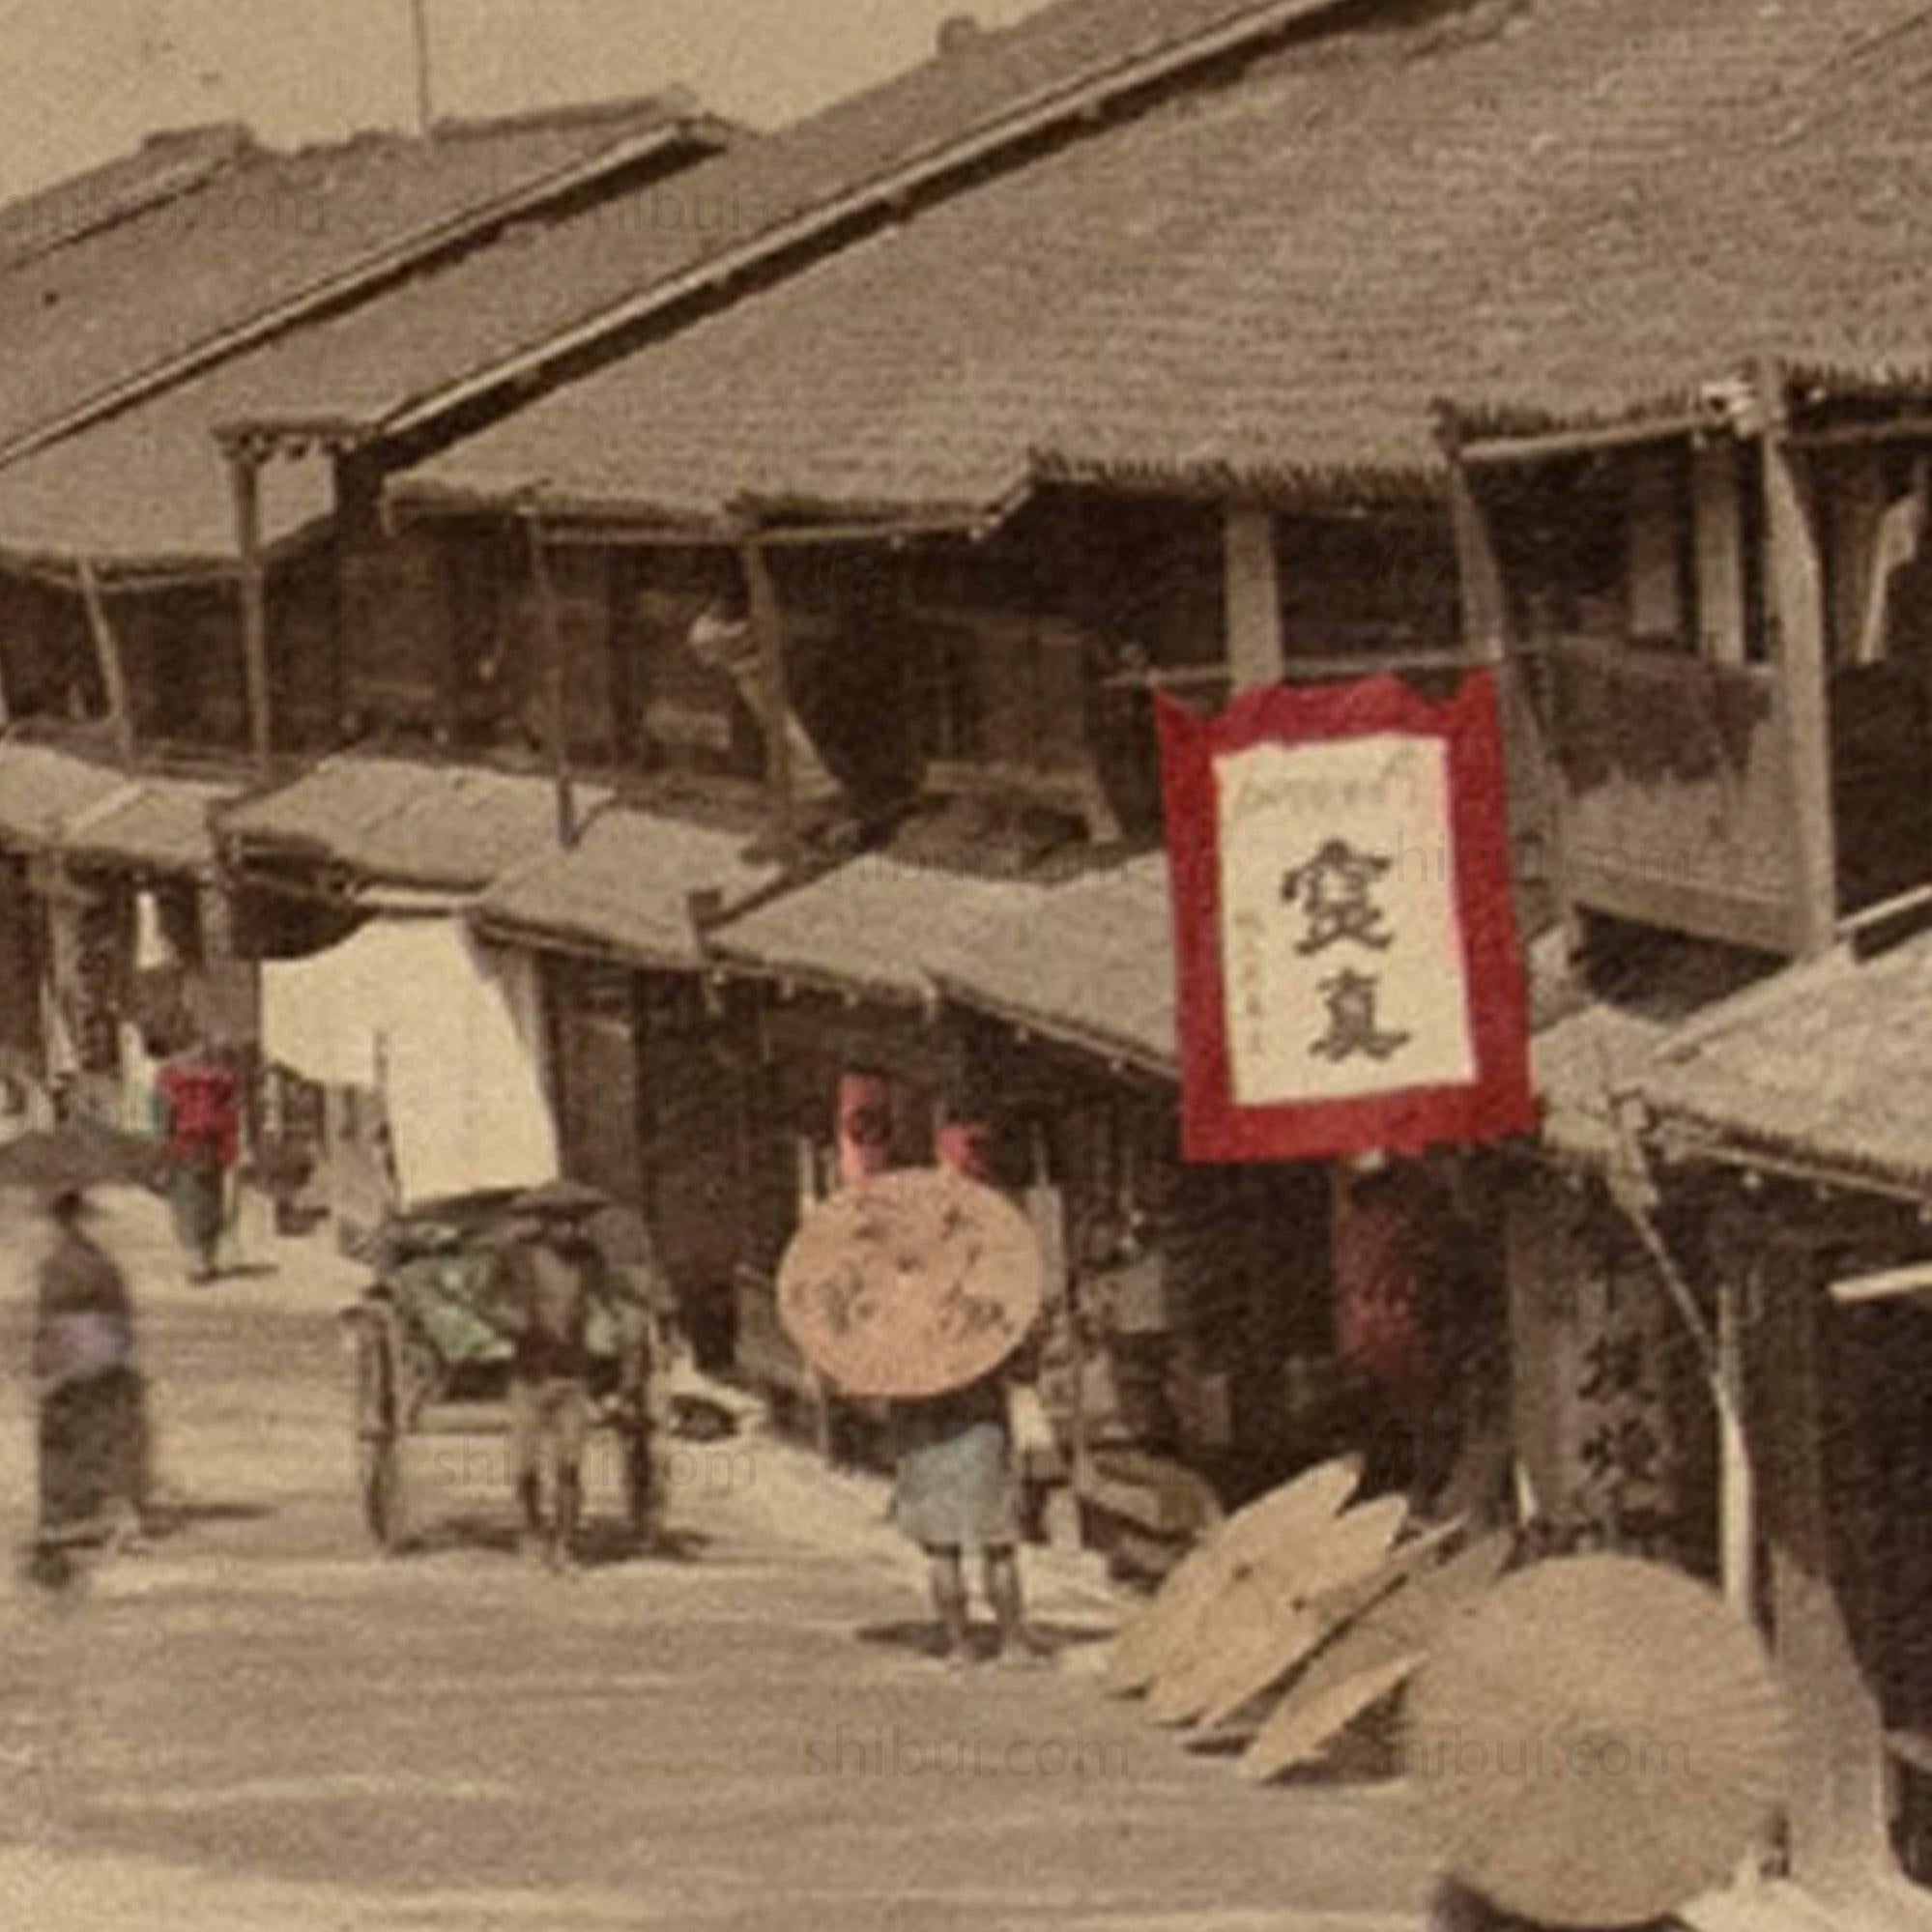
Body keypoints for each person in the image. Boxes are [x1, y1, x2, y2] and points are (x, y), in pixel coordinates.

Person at [494, 1179, 649, 1571]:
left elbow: (605, 1298)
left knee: (569, 1464)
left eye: (575, 1221)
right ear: (544, 1223)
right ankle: (531, 1529)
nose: (569, 1229)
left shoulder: (588, 1259)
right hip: (528, 1375)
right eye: (560, 1221)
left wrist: (618, 1328)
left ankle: (565, 1542)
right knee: (526, 1464)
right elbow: (491, 1299)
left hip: (572, 1375)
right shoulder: (519, 1258)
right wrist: (511, 1319)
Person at [890, 1367, 1047, 1669]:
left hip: (923, 1436)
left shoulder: (900, 1334)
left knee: (943, 1551)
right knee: (999, 1547)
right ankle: (1012, 1643)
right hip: (981, 1429)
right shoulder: (978, 1329)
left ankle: (960, 1645)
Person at [31, 1188, 150, 1572]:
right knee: (108, 1432)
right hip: (107, 1352)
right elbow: (122, 1311)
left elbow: (48, 1320)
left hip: (72, 1354)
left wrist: (44, 1362)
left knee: (62, 1434)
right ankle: (113, 1506)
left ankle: (66, 1512)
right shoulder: (101, 1262)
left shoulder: (57, 1264)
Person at [153, 1034, 240, 1283]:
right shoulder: (222, 1076)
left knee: (188, 1199)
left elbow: (165, 1113)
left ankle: (196, 1260)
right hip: (213, 1142)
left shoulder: (171, 1076)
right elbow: (231, 1112)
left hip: (185, 1142)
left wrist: (161, 1145)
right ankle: (207, 1256)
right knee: (211, 1197)